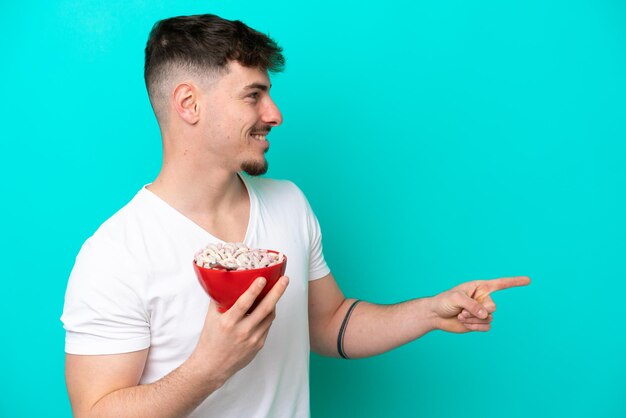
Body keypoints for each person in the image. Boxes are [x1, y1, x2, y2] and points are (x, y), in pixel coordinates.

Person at [61, 14, 531, 418]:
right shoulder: (116, 253)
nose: (275, 113)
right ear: (189, 103)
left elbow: (329, 323)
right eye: (253, 95)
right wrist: (209, 368)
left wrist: (429, 311)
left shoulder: (288, 202)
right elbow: (96, 411)